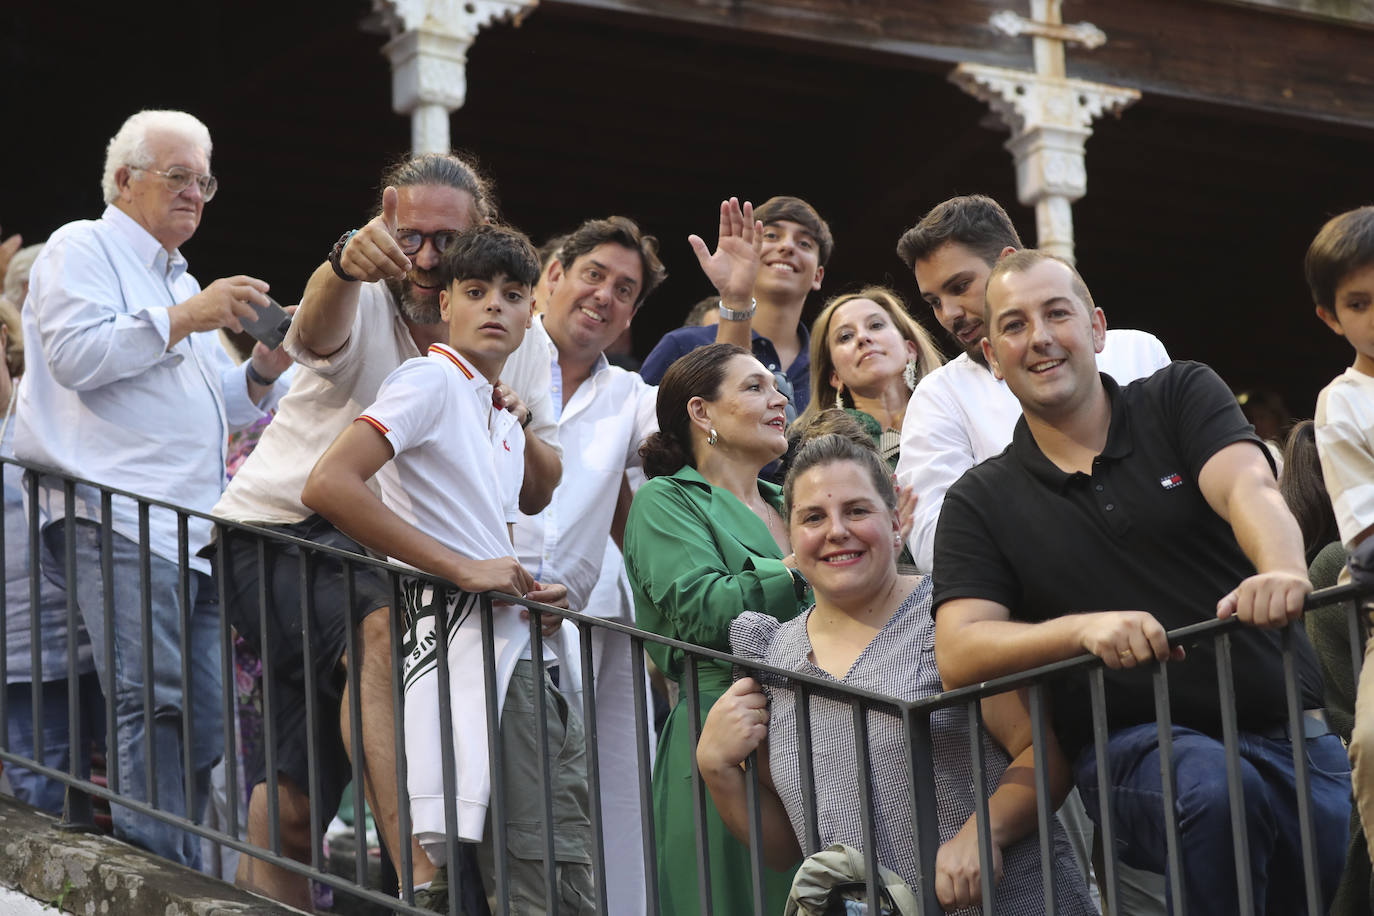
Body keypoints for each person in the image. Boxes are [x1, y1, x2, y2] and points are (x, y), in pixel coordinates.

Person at [932, 249, 1352, 913]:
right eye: (1014, 325)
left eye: (1056, 314)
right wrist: (1082, 630)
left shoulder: (1179, 394)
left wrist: (1281, 569)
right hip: (1134, 744)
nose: (1038, 337)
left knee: (1333, 891)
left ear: (1097, 328)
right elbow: (958, 649)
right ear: (991, 354)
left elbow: (1247, 484)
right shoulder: (979, 501)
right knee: (1215, 789)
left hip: (1287, 728)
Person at [211, 153, 563, 907]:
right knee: (380, 624)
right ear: (383, 222)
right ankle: (421, 881)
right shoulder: (362, 288)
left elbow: (540, 489)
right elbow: (313, 325)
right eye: (410, 237)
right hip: (280, 531)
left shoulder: (520, 333)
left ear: (483, 234)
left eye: (447, 239)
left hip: (384, 552)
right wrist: (342, 264)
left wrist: (516, 421)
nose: (427, 257)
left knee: (293, 805)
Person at [14, 109, 291, 867]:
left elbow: (218, 412)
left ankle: (181, 856)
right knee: (154, 696)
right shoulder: (82, 246)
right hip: (116, 516)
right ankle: (157, 865)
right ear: (125, 179)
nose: (196, 194)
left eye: (205, 181)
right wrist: (186, 316)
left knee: (203, 714)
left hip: (192, 529)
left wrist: (265, 366)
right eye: (179, 177)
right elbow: (75, 355)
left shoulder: (179, 278)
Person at [302, 223, 586, 914]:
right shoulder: (430, 377)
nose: (494, 306)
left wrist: (517, 577)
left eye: (513, 294)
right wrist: (462, 568)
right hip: (473, 654)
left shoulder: (490, 404)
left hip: (513, 646)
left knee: (541, 864)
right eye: (476, 290)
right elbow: (329, 483)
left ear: (531, 315)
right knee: (542, 871)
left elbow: (536, 493)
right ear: (447, 305)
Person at [697, 434, 1095, 914]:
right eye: (813, 517)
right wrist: (717, 769)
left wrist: (983, 831)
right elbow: (786, 845)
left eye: (857, 511)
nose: (836, 531)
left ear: (895, 522)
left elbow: (1045, 751)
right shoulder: (771, 659)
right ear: (791, 534)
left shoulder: (950, 621)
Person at [511, 214, 665, 914]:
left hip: (592, 619)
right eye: (593, 275)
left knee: (621, 798)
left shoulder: (632, 394)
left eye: (624, 289)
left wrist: (734, 310)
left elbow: (689, 444)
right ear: (552, 277)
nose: (605, 295)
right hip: (478, 606)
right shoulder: (498, 348)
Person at [893, 194, 1169, 574]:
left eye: (959, 287)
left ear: (1007, 262)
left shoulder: (1139, 351)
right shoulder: (938, 397)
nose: (949, 314)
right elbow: (940, 547)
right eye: (934, 302)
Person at [623, 342, 806, 916]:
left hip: (817, 729)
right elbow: (704, 611)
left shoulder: (792, 501)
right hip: (725, 731)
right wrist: (801, 569)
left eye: (777, 388)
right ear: (700, 412)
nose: (778, 400)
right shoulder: (665, 499)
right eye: (755, 388)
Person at [0, 295, 102, 816]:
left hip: (95, 642)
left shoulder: (42, 413)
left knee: (132, 792)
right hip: (19, 662)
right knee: (41, 799)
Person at [1308, 205, 1374, 875]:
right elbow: (1368, 535)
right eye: (1360, 302)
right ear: (1331, 317)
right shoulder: (1345, 403)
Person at [640, 196, 833, 418]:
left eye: (805, 243)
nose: (787, 246)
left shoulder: (832, 368)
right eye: (771, 235)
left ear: (818, 276)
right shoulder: (684, 346)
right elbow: (642, 438)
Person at [793, 285, 944, 468]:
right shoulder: (820, 452)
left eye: (876, 325)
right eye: (846, 336)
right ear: (835, 377)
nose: (863, 337)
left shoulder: (953, 410)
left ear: (910, 350)